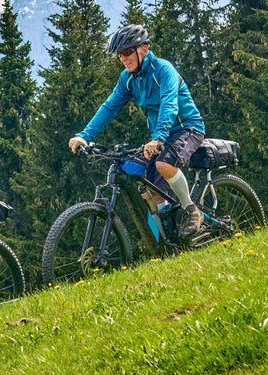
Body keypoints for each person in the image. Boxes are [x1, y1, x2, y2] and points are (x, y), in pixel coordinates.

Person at [68, 24, 206, 238]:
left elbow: (170, 104)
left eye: (126, 52)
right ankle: (167, 245)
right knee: (149, 186)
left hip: (187, 127)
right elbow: (110, 106)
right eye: (119, 54)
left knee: (163, 164)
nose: (122, 58)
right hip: (161, 136)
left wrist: (158, 138)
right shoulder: (128, 79)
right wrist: (84, 136)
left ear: (143, 49)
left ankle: (192, 212)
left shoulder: (163, 70)